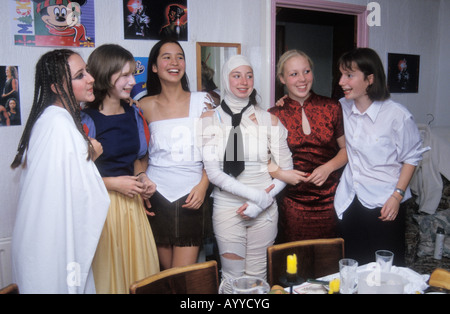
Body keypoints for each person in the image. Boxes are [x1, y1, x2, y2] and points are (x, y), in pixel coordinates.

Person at [10, 49, 110, 294]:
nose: (90, 79)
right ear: (56, 87)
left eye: (86, 71)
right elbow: (69, 190)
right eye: (79, 75)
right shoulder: (57, 124)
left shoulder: (57, 120)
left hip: (47, 240)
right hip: (50, 243)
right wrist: (91, 157)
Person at [200, 55, 293, 282]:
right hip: (228, 207)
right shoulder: (209, 118)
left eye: (249, 76)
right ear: (225, 79)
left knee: (258, 277)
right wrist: (256, 198)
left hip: (265, 209)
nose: (244, 81)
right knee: (232, 277)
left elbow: (286, 171)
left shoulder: (269, 120)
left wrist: (260, 203)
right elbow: (213, 173)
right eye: (237, 75)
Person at [334, 47, 429, 266]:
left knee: (385, 272)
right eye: (341, 74)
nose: (341, 81)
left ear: (370, 79)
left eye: (349, 75)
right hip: (350, 200)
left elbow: (411, 158)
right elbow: (313, 107)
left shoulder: (397, 116)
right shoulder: (342, 107)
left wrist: (397, 196)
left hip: (385, 204)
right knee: (353, 268)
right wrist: (285, 100)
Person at [81, 44, 160, 294]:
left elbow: (138, 158)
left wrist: (142, 177)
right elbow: (75, 176)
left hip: (132, 207)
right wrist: (115, 183)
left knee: (140, 277)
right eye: (124, 75)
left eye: (132, 74)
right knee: (108, 278)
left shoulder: (134, 113)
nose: (132, 81)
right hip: (101, 210)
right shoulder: (86, 120)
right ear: (106, 75)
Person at [139, 39, 211, 270]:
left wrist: (203, 185)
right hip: (156, 195)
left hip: (191, 195)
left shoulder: (204, 101)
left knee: (181, 276)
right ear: (154, 66)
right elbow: (139, 154)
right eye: (166, 57)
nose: (174, 62)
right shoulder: (142, 105)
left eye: (180, 56)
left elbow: (216, 152)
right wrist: (142, 181)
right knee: (166, 275)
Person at [269, 50, 347, 242]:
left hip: (331, 201)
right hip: (293, 204)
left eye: (306, 71)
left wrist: (328, 167)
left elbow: (346, 150)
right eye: (293, 74)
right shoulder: (273, 114)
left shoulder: (332, 107)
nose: (302, 79)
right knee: (295, 264)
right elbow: (263, 159)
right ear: (282, 79)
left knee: (328, 262)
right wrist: (281, 173)